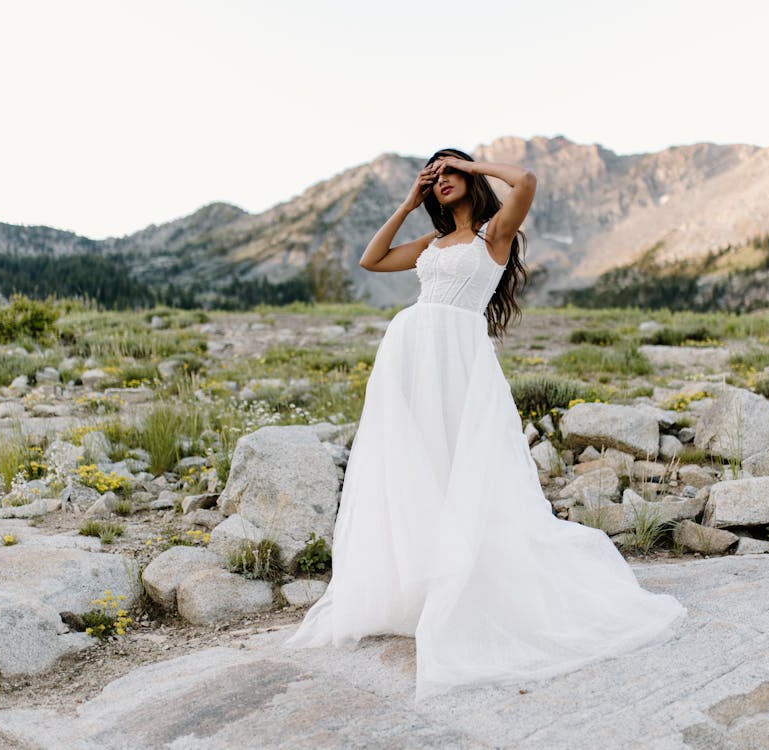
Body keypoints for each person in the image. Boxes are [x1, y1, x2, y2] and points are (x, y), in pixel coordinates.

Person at [282, 148, 687, 701]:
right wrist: (408, 201)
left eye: (451, 172)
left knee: (468, 468)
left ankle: (473, 581)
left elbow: (526, 180)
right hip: (410, 359)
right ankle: (426, 578)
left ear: (470, 179)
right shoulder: (431, 243)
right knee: (416, 468)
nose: (444, 180)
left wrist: (472, 164)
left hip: (459, 360)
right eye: (437, 174)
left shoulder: (492, 236)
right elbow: (371, 261)